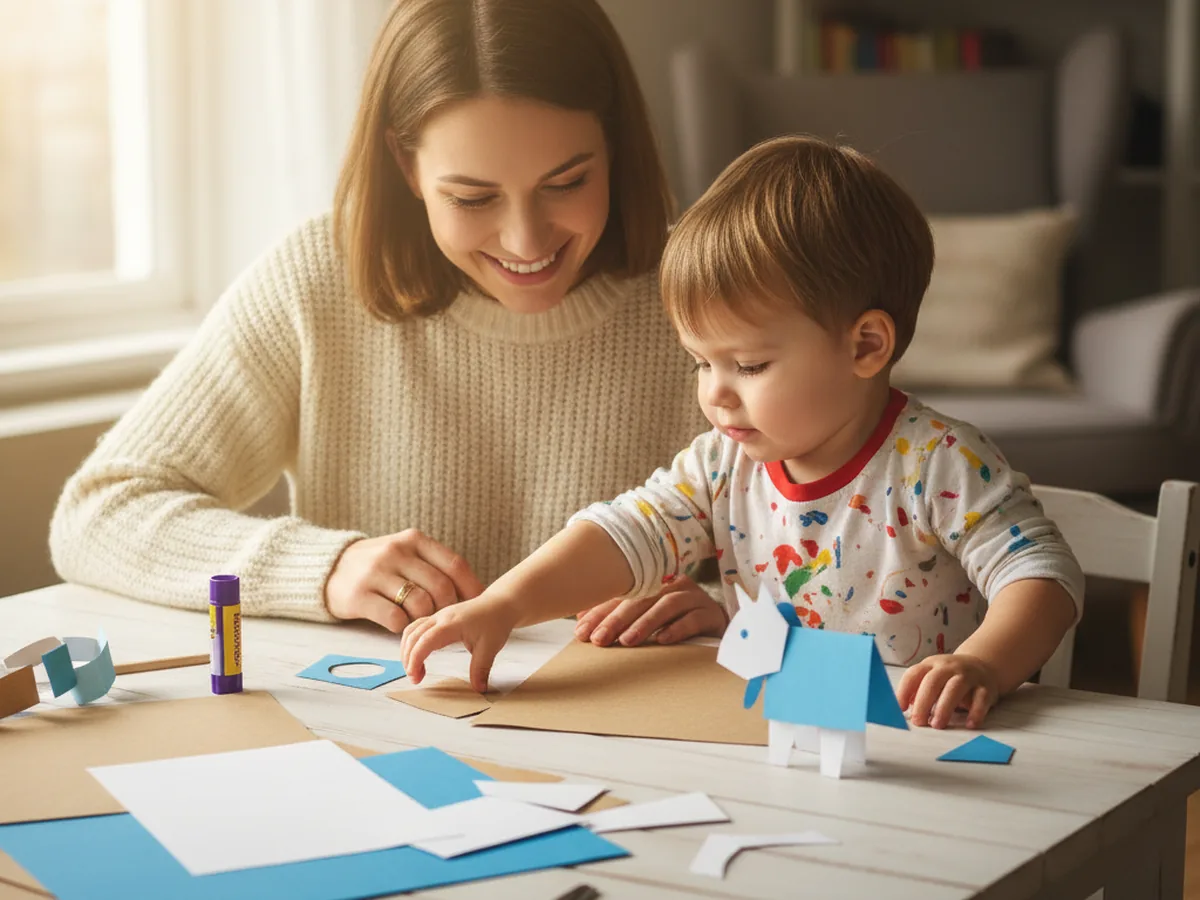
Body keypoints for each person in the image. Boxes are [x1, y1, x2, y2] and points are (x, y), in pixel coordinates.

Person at [49, 0, 726, 643]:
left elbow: (826, 547)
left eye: (567, 182)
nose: (525, 241)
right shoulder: (318, 279)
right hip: (366, 732)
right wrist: (327, 568)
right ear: (405, 165)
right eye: (472, 196)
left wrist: (734, 606)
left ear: (614, 145)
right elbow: (98, 514)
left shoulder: (711, 293)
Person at [400, 135, 1085, 730]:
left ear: (866, 345)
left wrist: (982, 666)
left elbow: (1043, 578)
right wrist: (504, 604)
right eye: (702, 362)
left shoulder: (940, 465)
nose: (715, 392)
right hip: (770, 743)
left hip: (923, 749)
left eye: (750, 364)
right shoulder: (724, 463)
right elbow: (623, 532)